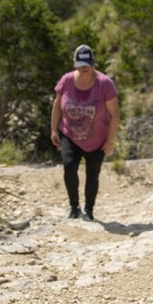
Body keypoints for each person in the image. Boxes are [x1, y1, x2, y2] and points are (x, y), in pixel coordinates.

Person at [50, 44, 119, 221]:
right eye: (80, 64)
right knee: (69, 166)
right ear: (75, 64)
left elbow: (114, 114)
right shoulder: (66, 81)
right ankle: (74, 207)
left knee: (92, 173)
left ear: (93, 63)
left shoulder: (104, 84)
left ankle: (89, 210)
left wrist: (110, 141)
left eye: (87, 64)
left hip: (97, 138)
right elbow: (57, 105)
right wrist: (53, 129)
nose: (84, 68)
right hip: (70, 134)